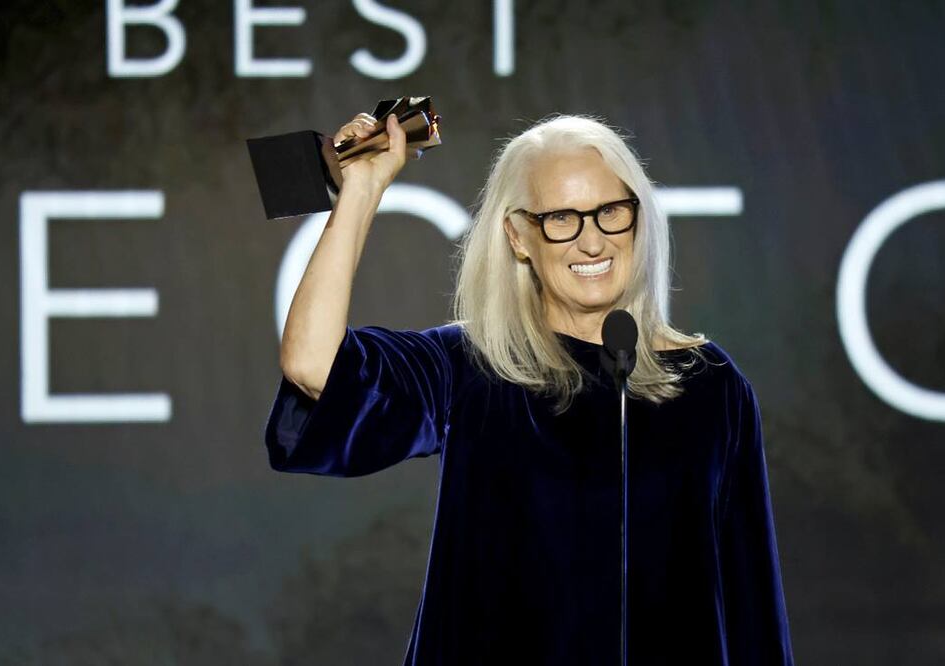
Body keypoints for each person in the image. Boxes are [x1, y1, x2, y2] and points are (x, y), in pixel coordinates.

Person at [265, 110, 794, 665]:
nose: (592, 243)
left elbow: (751, 601)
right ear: (518, 235)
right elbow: (312, 363)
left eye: (611, 212)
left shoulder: (711, 387)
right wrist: (362, 191)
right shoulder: (470, 366)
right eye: (562, 218)